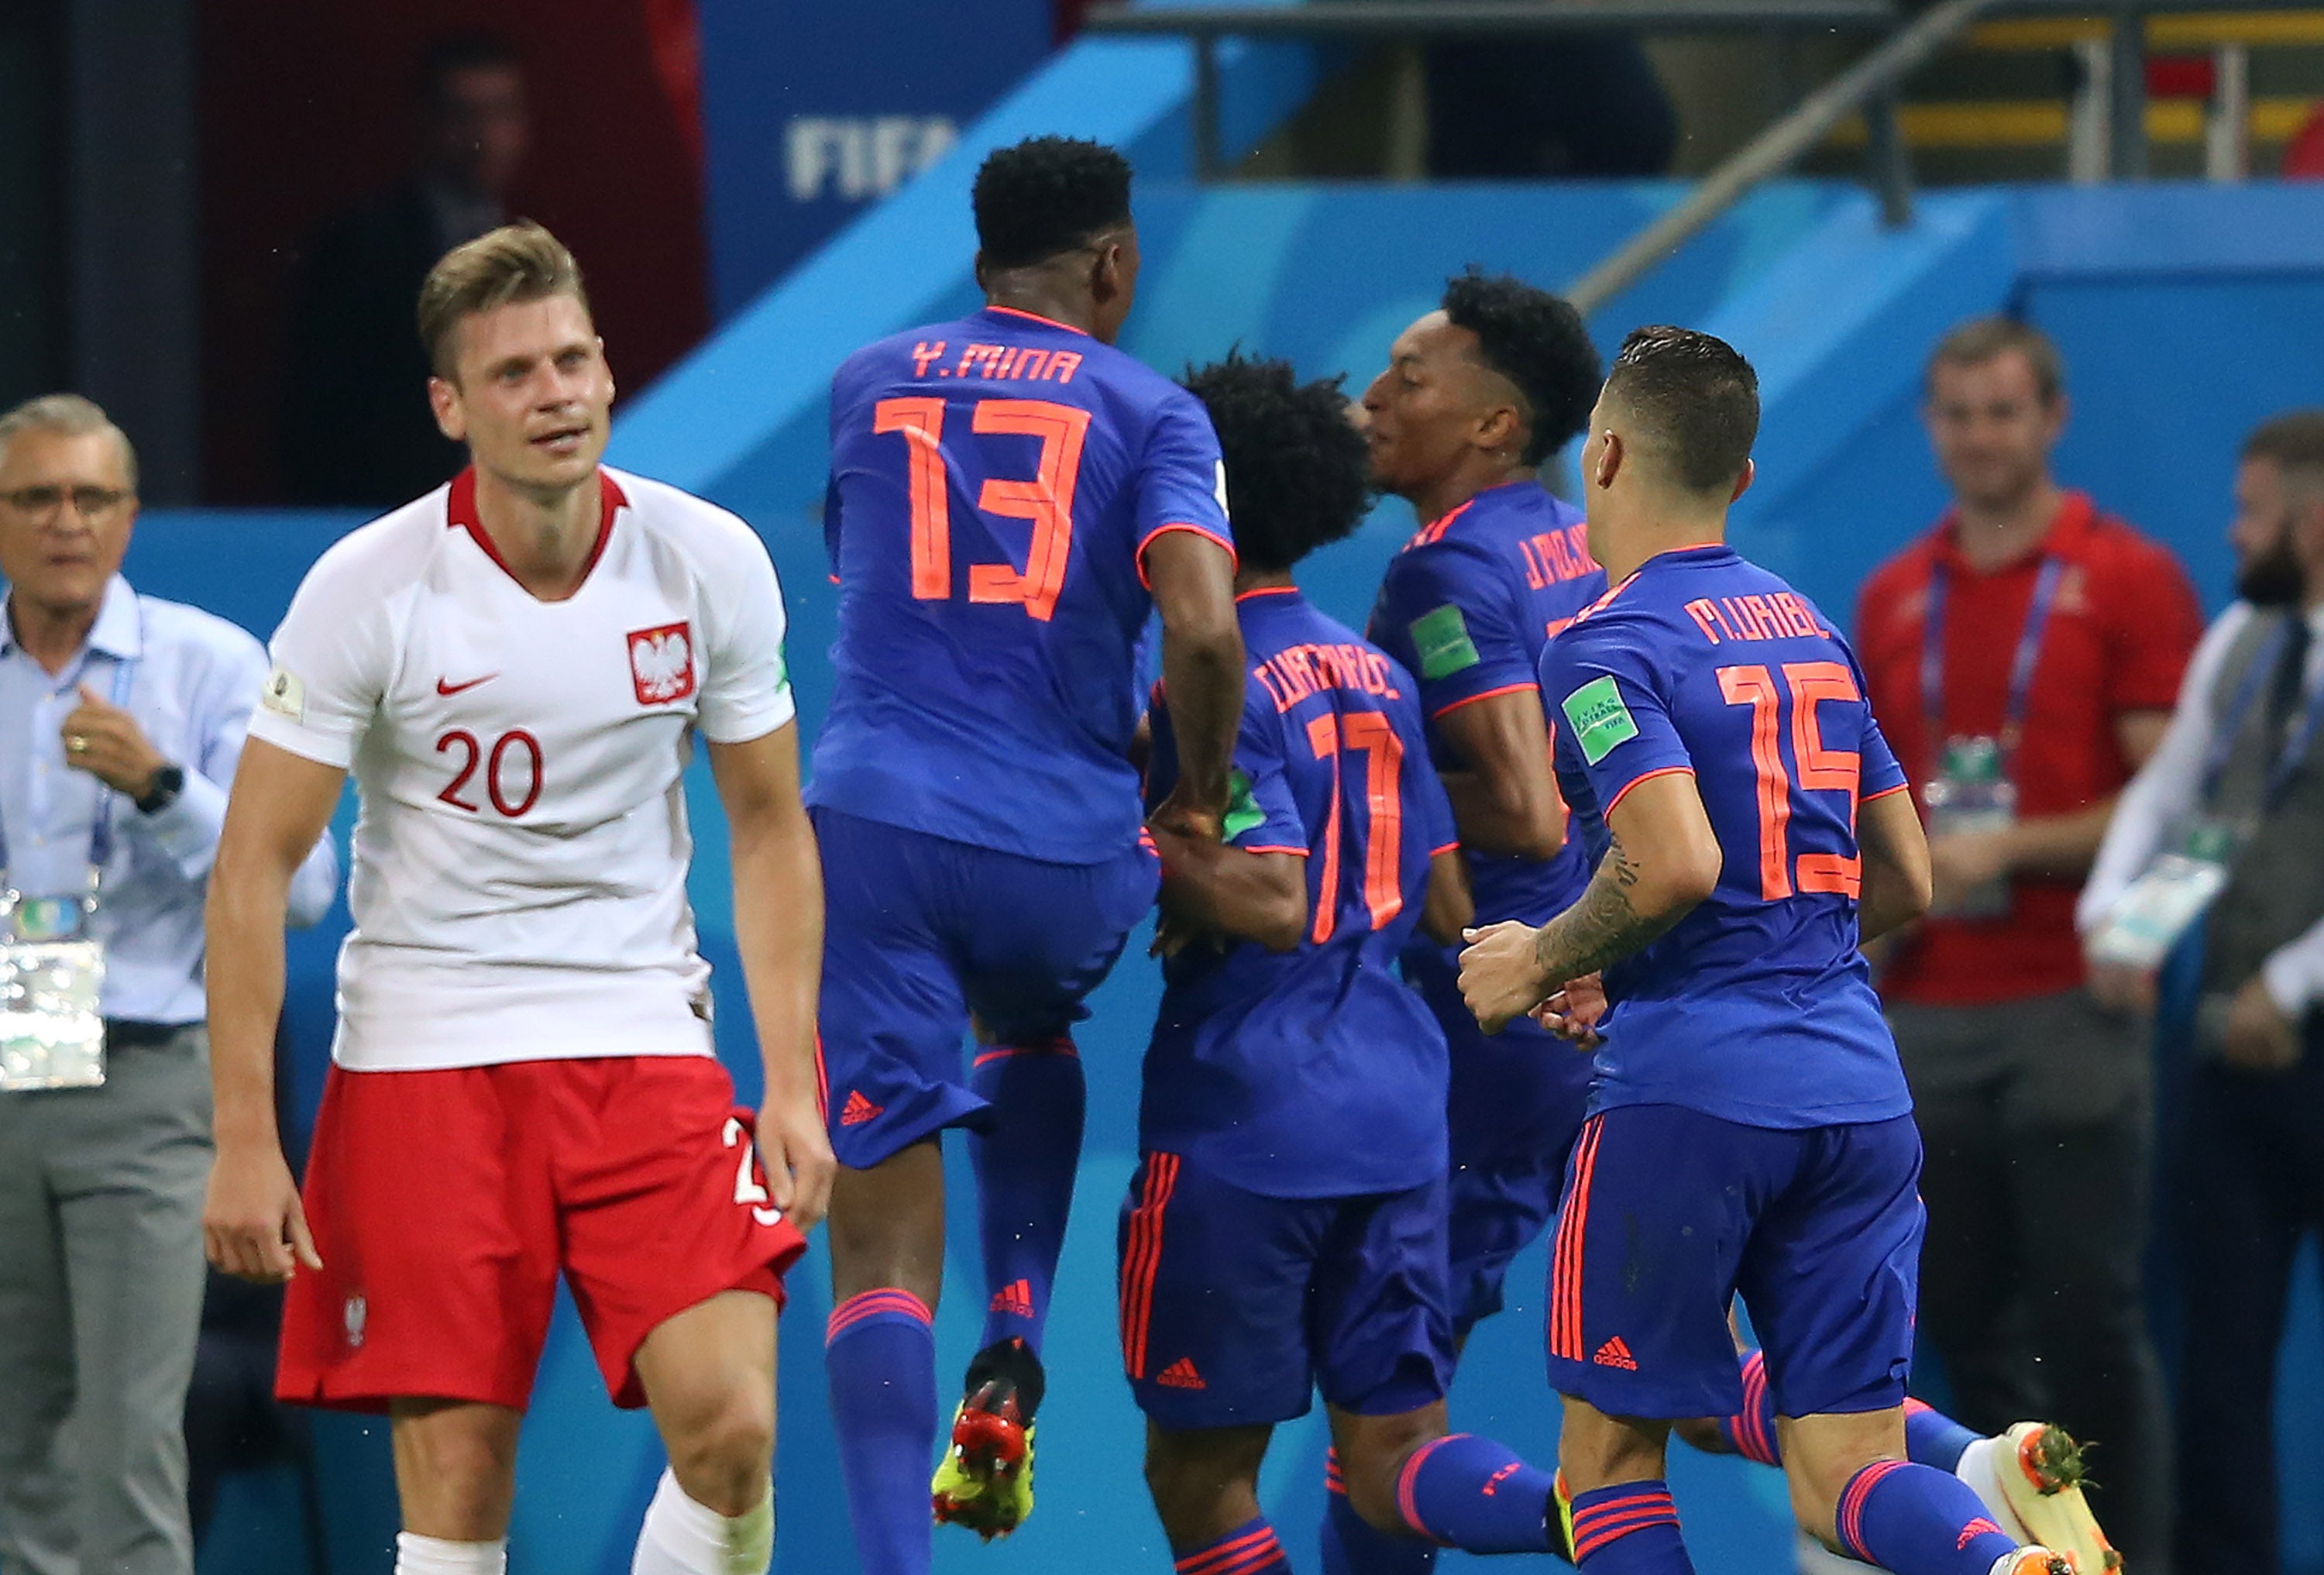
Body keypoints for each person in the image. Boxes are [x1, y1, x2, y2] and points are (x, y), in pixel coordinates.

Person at [202, 222, 829, 1575]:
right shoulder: (366, 587)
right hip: (425, 1056)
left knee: (730, 1427)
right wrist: (246, 1137)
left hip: (643, 1039)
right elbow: (253, 861)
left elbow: (770, 824)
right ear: (450, 406)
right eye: (512, 374)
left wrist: (791, 1079)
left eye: (572, 360)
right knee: (461, 1488)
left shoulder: (709, 559)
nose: (554, 393)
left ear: (607, 367)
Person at [1456, 325, 2078, 1575]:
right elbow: (1906, 872)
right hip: (1857, 1085)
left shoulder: (1601, 645)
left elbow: (1674, 858)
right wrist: (1630, 952)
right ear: (1741, 478)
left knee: (1610, 1458)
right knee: (1843, 1467)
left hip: (1689, 1094)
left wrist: (1538, 956)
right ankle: (1999, 1562)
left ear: (1607, 451)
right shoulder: (1810, 628)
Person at [812, 135, 1244, 1569]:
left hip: (875, 820)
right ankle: (1013, 1338)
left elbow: (868, 573)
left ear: (982, 254)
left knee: (873, 1241)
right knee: (1032, 1013)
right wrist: (1196, 793)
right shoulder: (1157, 409)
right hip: (1057, 847)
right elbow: (1200, 624)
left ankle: (893, 1557)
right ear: (1115, 264)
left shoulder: (868, 382)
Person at [1133, 350, 1569, 1575]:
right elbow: (1440, 896)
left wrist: (1126, 839)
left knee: (1198, 1472)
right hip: (1399, 1105)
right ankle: (1567, 1509)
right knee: (1393, 1451)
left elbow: (1259, 892)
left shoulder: (1198, 681)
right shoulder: (1375, 672)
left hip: (1245, 1115)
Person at [1851, 317, 2198, 1566]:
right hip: (1924, 1012)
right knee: (1954, 1326)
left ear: (2051, 418)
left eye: (2003, 412)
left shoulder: (2129, 575)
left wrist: (2020, 850)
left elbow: (2180, 798)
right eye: (1958, 414)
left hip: (2070, 1003)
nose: (1981, 437)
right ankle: (2009, 1559)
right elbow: (1867, 801)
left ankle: (2130, 1559)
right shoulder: (1895, 593)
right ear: (1931, 428)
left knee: (2088, 1323)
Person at [0, 393, 339, 1575]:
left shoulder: (203, 664)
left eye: (91, 497)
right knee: (17, 1441)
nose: (64, 521)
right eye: (35, 496)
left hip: (153, 1072)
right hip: (16, 1045)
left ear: (131, 518)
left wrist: (159, 788)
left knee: (132, 1435)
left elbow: (305, 886)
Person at [2080, 410, 2324, 1575]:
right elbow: (2168, 794)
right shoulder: (2244, 639)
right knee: (2220, 1359)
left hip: (2296, 1025)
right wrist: (2113, 923)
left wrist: (2294, 979)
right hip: (2231, 1060)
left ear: (2312, 521)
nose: (2232, 531)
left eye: (2252, 510)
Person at [284, 33, 530, 507]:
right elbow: (321, 417)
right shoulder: (359, 246)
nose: (482, 137)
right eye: (463, 114)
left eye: (500, 111)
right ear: (425, 121)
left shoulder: (535, 247)